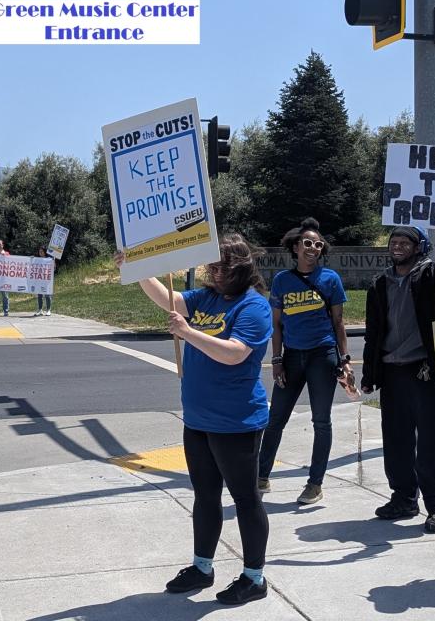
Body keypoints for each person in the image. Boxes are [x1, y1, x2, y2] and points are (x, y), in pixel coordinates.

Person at [115, 233, 272, 606]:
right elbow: (169, 300)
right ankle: (203, 567)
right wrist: (135, 268)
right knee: (204, 496)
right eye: (211, 266)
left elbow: (235, 354)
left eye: (222, 267)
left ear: (242, 268)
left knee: (246, 498)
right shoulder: (207, 300)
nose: (215, 273)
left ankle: (254, 577)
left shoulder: (254, 307)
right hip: (198, 419)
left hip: (236, 422)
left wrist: (188, 332)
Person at [361, 225, 435, 533]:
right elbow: (373, 333)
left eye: (406, 242)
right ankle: (403, 497)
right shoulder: (379, 283)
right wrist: (369, 375)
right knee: (396, 439)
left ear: (418, 247)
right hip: (392, 370)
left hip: (424, 369)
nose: (399, 246)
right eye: (394, 241)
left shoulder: (430, 275)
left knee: (431, 441)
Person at [257, 217, 355, 506]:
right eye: (307, 243)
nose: (313, 248)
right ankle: (261, 477)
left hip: (322, 356)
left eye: (318, 244)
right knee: (276, 419)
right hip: (292, 357)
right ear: (296, 247)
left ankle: (315, 484)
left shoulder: (330, 279)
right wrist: (276, 360)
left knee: (321, 421)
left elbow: (338, 323)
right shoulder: (282, 281)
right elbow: (276, 325)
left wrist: (345, 360)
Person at [35, 246, 55, 316]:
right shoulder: (37, 260)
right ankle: (40, 310)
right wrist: (31, 259)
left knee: (47, 295)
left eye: (41, 251)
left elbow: (54, 268)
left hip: (46, 280)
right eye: (39, 252)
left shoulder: (49, 259)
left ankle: (48, 310)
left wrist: (53, 262)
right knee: (39, 295)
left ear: (44, 252)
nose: (40, 253)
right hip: (39, 280)